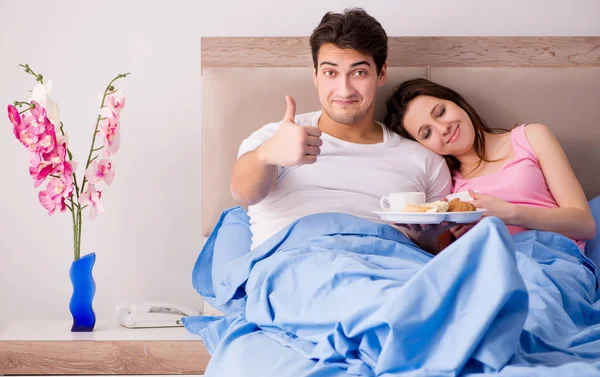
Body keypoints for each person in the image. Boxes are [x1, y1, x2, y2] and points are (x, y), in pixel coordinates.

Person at [230, 9, 453, 253]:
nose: (344, 90)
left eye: (359, 73)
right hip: (295, 269)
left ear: (381, 74)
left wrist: (425, 238)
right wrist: (267, 155)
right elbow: (244, 194)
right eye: (330, 73)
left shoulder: (426, 162)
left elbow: (435, 258)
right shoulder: (277, 139)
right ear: (315, 76)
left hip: (392, 273)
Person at [384, 78, 596, 248]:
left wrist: (510, 214)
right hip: (490, 268)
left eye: (441, 112)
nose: (443, 129)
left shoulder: (531, 137)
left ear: (456, 102)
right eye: (427, 133)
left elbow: (585, 225)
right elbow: (444, 256)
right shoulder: (448, 188)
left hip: (552, 260)